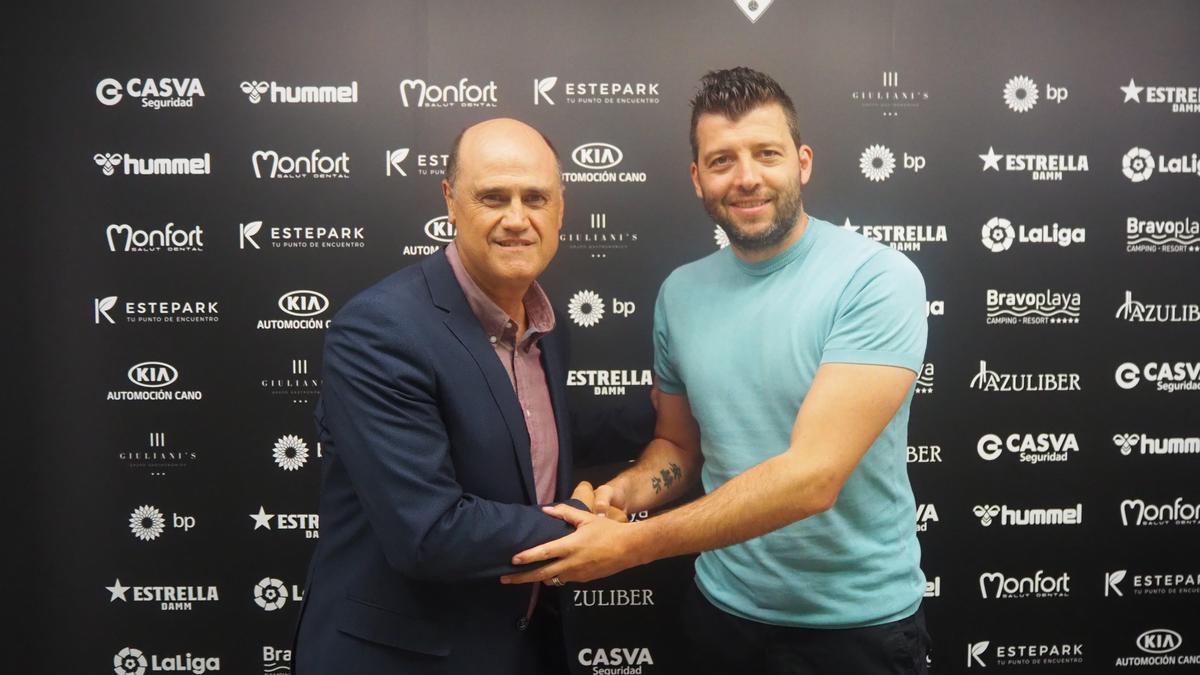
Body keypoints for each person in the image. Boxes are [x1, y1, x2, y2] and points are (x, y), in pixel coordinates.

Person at [502, 67, 933, 674]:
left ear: (802, 163)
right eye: (723, 159)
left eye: (767, 153)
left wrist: (630, 546)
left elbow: (813, 477)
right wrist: (623, 494)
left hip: (853, 629)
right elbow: (679, 446)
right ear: (697, 178)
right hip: (721, 615)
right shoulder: (681, 293)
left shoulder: (876, 279)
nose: (747, 177)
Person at [294, 118, 601, 674]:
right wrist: (585, 523)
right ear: (451, 200)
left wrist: (686, 409)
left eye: (536, 197)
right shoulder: (380, 330)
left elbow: (522, 437)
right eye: (493, 197)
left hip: (521, 648)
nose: (517, 219)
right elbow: (429, 531)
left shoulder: (544, 323)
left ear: (561, 208)